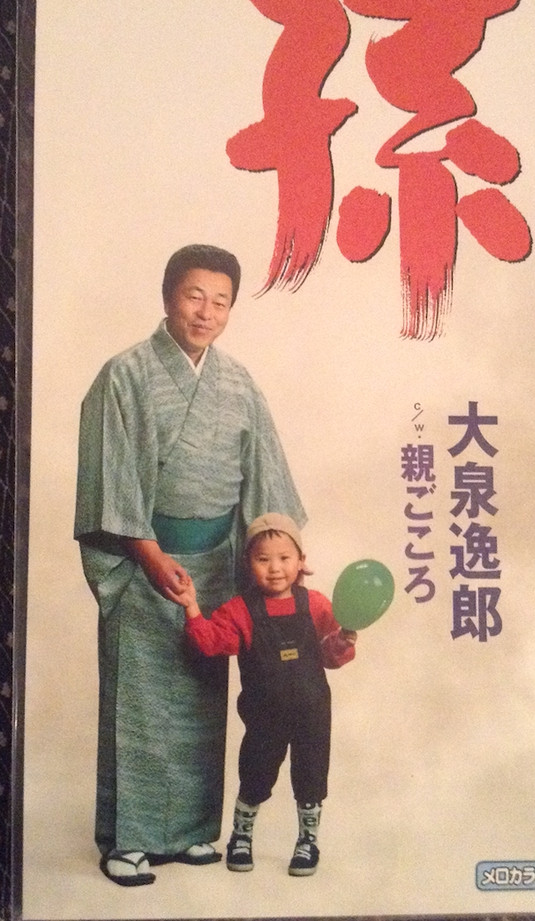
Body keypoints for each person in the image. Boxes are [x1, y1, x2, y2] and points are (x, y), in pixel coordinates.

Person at [74, 244, 306, 887]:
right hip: (143, 558)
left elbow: (265, 480)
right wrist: (149, 556)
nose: (207, 312)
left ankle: (192, 832)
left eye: (221, 301)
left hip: (217, 567)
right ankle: (129, 839)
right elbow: (110, 478)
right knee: (141, 703)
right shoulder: (124, 375)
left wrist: (277, 555)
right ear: (168, 296)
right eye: (194, 296)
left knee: (203, 701)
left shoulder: (238, 384)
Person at [173, 512, 356, 877]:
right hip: (264, 718)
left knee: (311, 779)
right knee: (255, 776)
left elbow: (331, 655)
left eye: (284, 558)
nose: (275, 568)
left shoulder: (317, 605)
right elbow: (211, 643)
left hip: (313, 715)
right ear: (248, 563)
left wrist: (344, 639)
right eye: (263, 559)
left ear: (301, 561)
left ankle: (308, 841)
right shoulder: (240, 610)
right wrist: (191, 606)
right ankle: (241, 837)